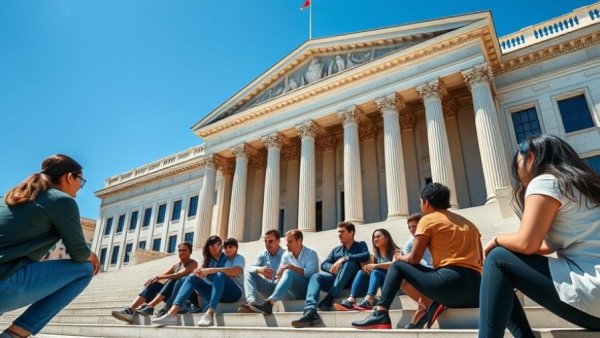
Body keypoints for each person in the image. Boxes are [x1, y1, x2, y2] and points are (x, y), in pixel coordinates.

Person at [479, 135, 600, 337]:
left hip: (593, 294)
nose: (516, 171)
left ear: (531, 158)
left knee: (497, 258)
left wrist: (498, 238)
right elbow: (546, 245)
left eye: (516, 162)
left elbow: (527, 243)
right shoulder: (582, 185)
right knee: (502, 258)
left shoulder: (545, 181)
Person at [352, 183, 483, 330]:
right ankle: (432, 305)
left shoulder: (428, 219)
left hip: (449, 286)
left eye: (421, 202)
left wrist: (399, 258)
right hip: (477, 292)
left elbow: (413, 259)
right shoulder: (470, 225)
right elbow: (480, 262)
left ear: (426, 202)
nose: (421, 205)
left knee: (397, 266)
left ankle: (381, 313)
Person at [0, 154, 100, 338]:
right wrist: (93, 257)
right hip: (3, 283)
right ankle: (15, 334)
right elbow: (79, 253)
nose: (80, 187)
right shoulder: (61, 200)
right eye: (81, 180)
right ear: (70, 177)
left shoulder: (8, 197)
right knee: (85, 269)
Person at [291, 222, 369, 328]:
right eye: (338, 232)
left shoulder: (360, 245)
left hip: (352, 281)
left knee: (349, 263)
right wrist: (332, 268)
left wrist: (345, 258)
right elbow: (324, 264)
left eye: (342, 232)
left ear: (351, 233)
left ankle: (330, 297)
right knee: (316, 276)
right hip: (336, 279)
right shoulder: (336, 250)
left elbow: (366, 255)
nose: (339, 235)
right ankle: (310, 310)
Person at [152, 237, 245, 327]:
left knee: (219, 274)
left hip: (235, 293)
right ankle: (172, 313)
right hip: (217, 292)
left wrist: (212, 270)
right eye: (226, 247)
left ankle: (209, 313)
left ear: (236, 248)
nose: (228, 250)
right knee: (192, 277)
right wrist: (199, 274)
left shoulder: (238, 258)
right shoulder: (217, 259)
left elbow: (235, 271)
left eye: (231, 247)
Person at [111, 241, 198, 323]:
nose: (182, 252)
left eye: (185, 250)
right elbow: (162, 275)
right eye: (180, 250)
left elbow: (179, 274)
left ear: (190, 252)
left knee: (174, 279)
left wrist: (158, 277)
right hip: (174, 296)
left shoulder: (193, 263)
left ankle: (150, 306)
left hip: (188, 297)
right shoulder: (176, 265)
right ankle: (130, 310)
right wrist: (153, 280)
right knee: (155, 284)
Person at [246, 229, 319, 314]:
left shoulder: (311, 254)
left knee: (289, 271)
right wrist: (275, 274)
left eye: (290, 242)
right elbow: (279, 274)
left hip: (305, 290)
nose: (287, 245)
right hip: (287, 291)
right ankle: (251, 303)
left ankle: (270, 303)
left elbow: (311, 272)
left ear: (299, 241)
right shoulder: (286, 255)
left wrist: (292, 268)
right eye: (286, 242)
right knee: (251, 272)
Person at [334, 228, 400, 311]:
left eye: (378, 236)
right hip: (381, 280)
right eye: (374, 237)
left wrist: (376, 265)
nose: (375, 239)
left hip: (393, 281)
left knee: (375, 272)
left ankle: (369, 300)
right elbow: (368, 268)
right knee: (362, 272)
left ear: (386, 239)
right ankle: (351, 300)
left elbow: (395, 265)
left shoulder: (395, 251)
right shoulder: (374, 256)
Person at [399, 213, 435, 328]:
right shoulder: (409, 243)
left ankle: (422, 310)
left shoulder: (434, 236)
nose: (411, 229)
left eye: (414, 226)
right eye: (409, 227)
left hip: (437, 271)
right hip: (422, 272)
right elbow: (408, 258)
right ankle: (428, 304)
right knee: (401, 280)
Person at [237, 229, 284, 312]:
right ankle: (251, 303)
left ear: (278, 241)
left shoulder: (286, 254)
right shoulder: (263, 254)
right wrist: (260, 269)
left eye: (270, 241)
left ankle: (265, 305)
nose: (267, 244)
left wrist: (277, 274)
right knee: (250, 272)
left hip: (282, 289)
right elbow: (251, 268)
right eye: (266, 241)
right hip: (268, 287)